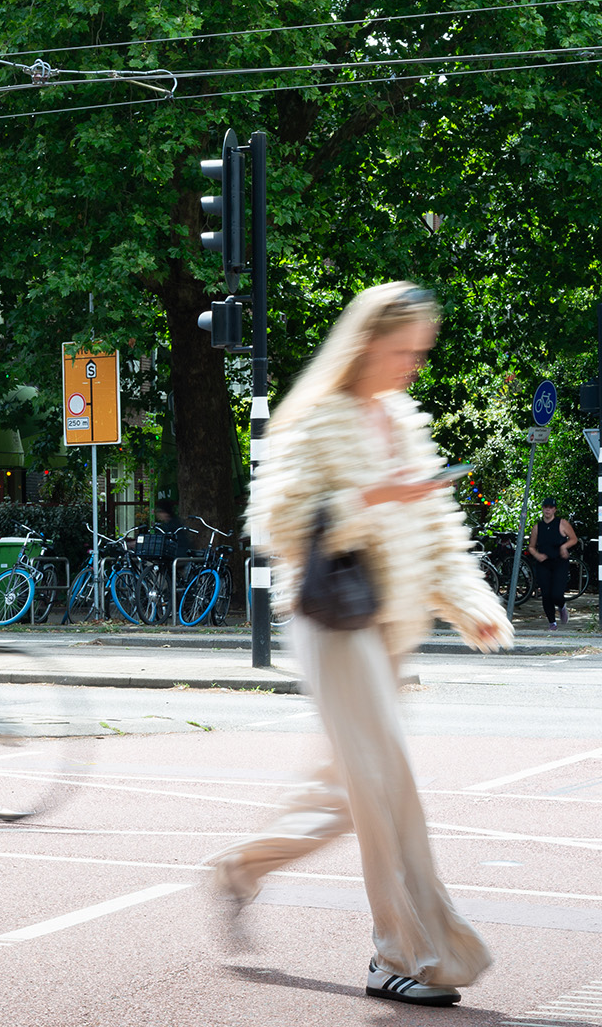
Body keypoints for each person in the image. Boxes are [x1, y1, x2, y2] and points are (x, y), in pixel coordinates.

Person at [209, 282, 512, 1007]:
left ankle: (241, 868)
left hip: (390, 633)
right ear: (366, 343)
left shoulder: (405, 421)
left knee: (349, 793)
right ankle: (404, 955)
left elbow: (440, 534)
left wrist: (472, 606)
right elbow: (278, 530)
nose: (414, 365)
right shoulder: (315, 420)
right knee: (387, 784)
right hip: (332, 625)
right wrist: (373, 499)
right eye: (404, 350)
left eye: (420, 353)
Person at [526, 499, 578, 629]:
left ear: (554, 509)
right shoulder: (537, 527)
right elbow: (531, 547)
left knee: (556, 593)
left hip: (559, 562)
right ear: (543, 509)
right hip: (544, 563)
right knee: (546, 594)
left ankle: (561, 606)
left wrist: (564, 547)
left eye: (551, 507)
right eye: (545, 507)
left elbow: (574, 539)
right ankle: (552, 623)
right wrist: (537, 555)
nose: (548, 510)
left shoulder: (562, 523)